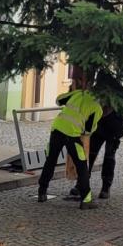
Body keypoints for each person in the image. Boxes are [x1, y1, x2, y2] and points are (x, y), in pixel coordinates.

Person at [37, 71, 103, 208]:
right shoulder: (97, 107)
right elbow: (88, 130)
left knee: (51, 160)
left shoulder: (78, 94)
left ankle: (42, 192)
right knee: (82, 165)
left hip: (57, 129)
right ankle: (86, 200)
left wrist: (73, 92)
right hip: (72, 135)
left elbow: (58, 100)